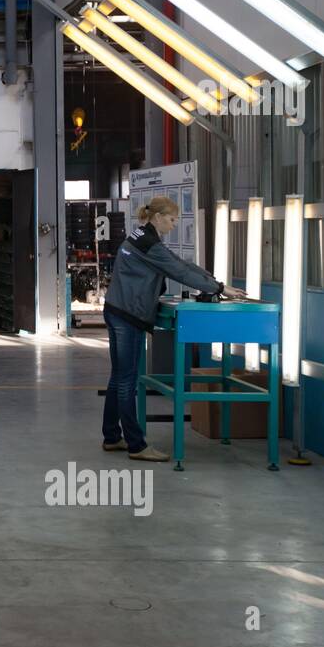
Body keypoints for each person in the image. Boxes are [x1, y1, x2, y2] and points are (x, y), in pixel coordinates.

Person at [101, 196, 245, 461]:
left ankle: (111, 436)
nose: (174, 224)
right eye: (171, 219)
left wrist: (213, 281)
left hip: (116, 309)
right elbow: (179, 272)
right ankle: (136, 446)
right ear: (157, 217)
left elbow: (181, 264)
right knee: (126, 380)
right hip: (126, 315)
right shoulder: (149, 243)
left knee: (119, 377)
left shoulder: (144, 237)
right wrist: (220, 289)